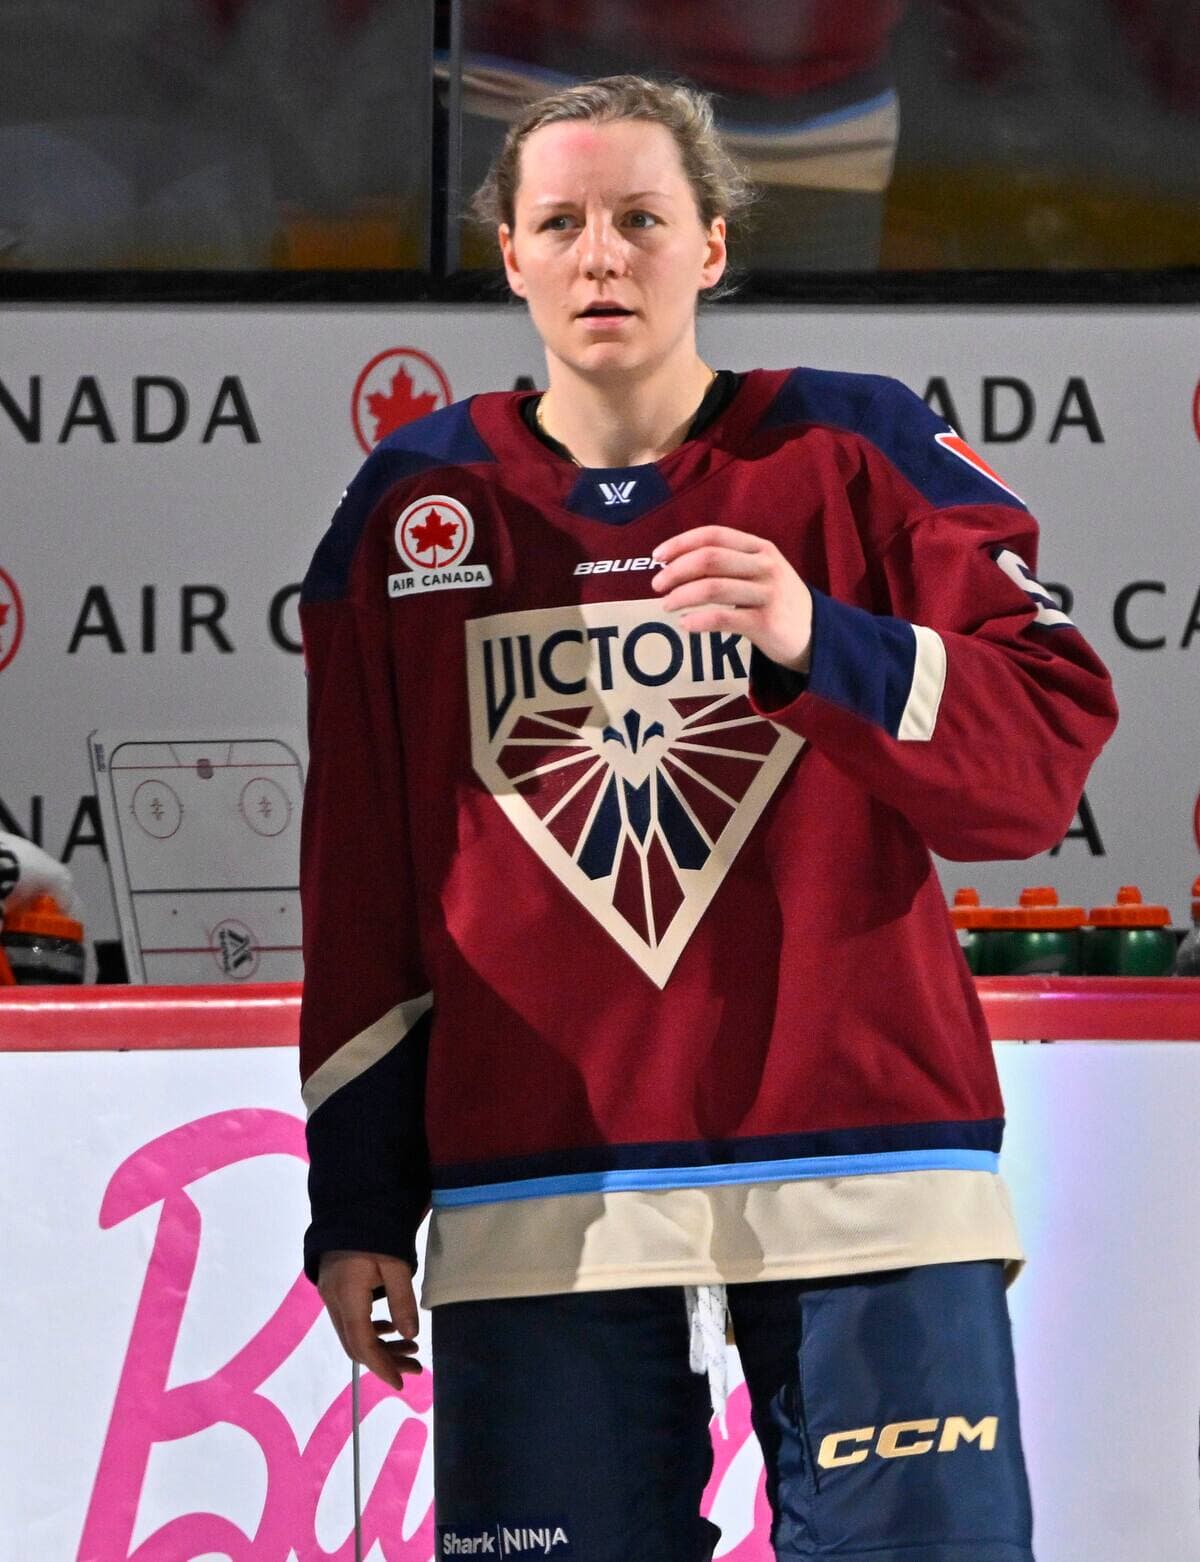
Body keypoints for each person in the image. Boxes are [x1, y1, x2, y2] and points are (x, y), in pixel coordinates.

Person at [298, 74, 1116, 1562]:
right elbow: (365, 886)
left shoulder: (856, 446)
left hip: (869, 1176)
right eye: (562, 223)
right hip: (544, 1194)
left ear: (713, 246)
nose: (601, 256)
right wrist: (358, 1201)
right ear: (510, 255)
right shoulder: (413, 503)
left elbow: (1041, 757)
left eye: (641, 219)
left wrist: (819, 638)